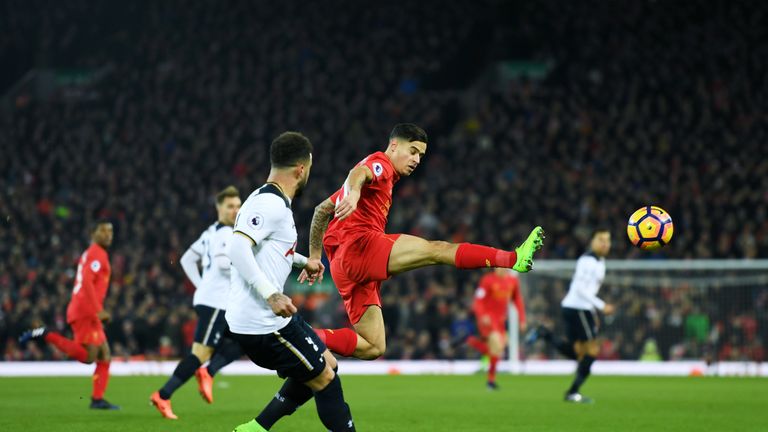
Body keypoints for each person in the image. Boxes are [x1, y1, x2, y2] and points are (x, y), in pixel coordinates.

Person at [301, 123, 544, 360]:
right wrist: (354, 192)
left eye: (421, 155)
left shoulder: (379, 178)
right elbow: (360, 173)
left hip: (344, 266)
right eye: (413, 151)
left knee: (373, 346)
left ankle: (305, 337)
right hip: (359, 247)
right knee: (437, 250)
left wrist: (314, 257)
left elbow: (321, 210)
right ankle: (513, 258)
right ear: (394, 146)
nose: (417, 160)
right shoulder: (381, 164)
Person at [226, 131, 355, 431]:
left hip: (270, 320)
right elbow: (237, 247)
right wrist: (271, 294)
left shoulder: (267, 199)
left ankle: (256, 428)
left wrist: (304, 261)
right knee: (324, 378)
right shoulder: (268, 204)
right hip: (263, 323)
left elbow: (268, 247)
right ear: (301, 168)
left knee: (327, 363)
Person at [151, 186, 244, 419]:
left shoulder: (210, 232)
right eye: (230, 206)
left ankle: (208, 372)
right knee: (200, 354)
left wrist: (200, 283)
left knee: (246, 339)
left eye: (238, 206)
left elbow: (187, 259)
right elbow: (223, 264)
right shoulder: (225, 234)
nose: (236, 210)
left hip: (215, 301)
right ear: (219, 208)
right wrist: (246, 269)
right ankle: (163, 395)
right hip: (216, 304)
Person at [19, 220, 119, 410]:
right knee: (89, 357)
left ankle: (97, 399)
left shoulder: (94, 253)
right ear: (93, 233)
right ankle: (45, 334)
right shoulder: (97, 253)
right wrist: (98, 309)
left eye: (110, 231)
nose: (108, 235)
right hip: (86, 310)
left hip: (87, 309)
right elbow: (88, 282)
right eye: (103, 231)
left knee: (104, 355)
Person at [526, 229, 615, 403]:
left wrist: (593, 311)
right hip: (577, 307)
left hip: (579, 308)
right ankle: (573, 392)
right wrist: (602, 306)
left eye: (607, 240)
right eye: (600, 239)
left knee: (579, 353)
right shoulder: (587, 261)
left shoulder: (600, 261)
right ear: (592, 242)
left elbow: (587, 290)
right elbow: (581, 289)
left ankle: (545, 334)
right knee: (591, 352)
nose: (605, 243)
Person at [465, 268, 526, 390]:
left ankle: (471, 341)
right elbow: (478, 301)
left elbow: (517, 300)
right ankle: (491, 381)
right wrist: (482, 315)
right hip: (487, 319)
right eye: (499, 266)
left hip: (500, 321)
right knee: (497, 346)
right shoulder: (487, 280)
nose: (501, 269)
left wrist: (522, 319)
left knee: (497, 351)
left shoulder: (512, 281)